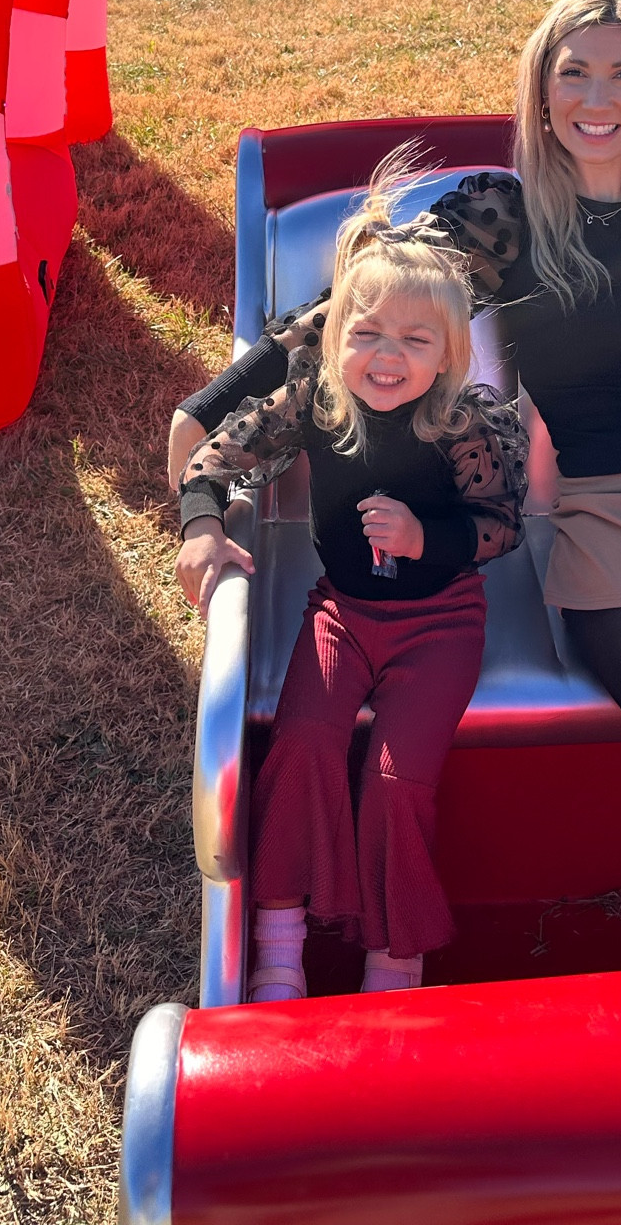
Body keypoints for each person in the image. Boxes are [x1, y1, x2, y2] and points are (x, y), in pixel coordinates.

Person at [172, 0, 621, 962]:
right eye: (573, 71)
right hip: (598, 521)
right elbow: (355, 310)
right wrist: (213, 406)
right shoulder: (500, 220)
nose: (598, 95)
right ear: (541, 94)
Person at [174, 165, 528, 1002]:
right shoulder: (315, 404)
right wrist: (201, 526)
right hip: (341, 614)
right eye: (367, 334)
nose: (386, 357)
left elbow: (502, 525)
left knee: (396, 779)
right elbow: (214, 458)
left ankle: (394, 959)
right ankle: (277, 946)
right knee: (301, 745)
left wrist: (425, 537)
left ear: (449, 353)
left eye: (414, 342)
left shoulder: (464, 423)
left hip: (440, 621)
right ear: (335, 339)